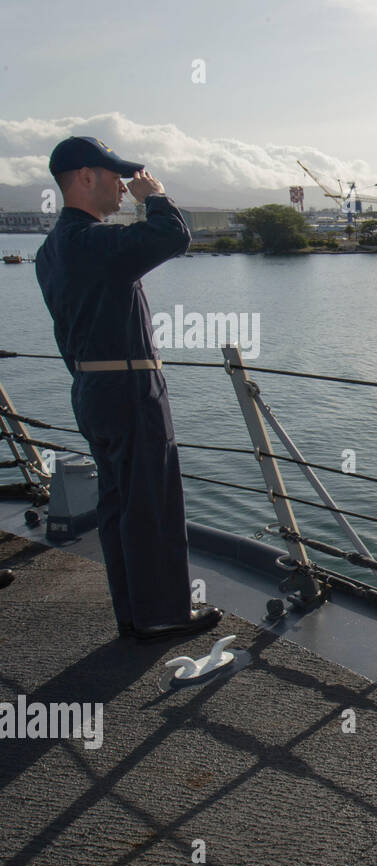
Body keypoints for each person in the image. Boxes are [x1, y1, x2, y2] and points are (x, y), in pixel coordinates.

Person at [35, 136, 222, 643]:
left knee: (118, 505)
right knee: (152, 501)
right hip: (129, 384)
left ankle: (136, 613)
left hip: (92, 387)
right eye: (114, 174)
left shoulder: (51, 250)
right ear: (85, 177)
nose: (123, 184)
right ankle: (164, 615)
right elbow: (170, 236)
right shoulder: (90, 242)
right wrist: (155, 197)